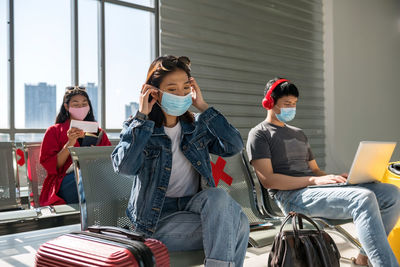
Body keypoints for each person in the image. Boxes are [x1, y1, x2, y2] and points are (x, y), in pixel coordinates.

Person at [111, 55, 249, 266]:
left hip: (194, 208)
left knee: (219, 197)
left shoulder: (196, 126)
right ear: (153, 92)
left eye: (186, 88)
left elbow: (235, 146)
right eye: (173, 89)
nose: (181, 94)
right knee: (237, 222)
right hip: (155, 222)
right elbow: (125, 167)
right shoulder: (139, 127)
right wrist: (142, 117)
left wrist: (204, 107)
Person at [247, 77, 400, 267]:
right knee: (363, 198)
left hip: (314, 190)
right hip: (292, 197)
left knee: (391, 194)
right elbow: (269, 180)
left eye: (294, 104)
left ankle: (363, 257)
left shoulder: (299, 133)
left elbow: (316, 171)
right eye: (287, 103)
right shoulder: (259, 134)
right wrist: (312, 180)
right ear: (269, 103)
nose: (291, 108)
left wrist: (336, 178)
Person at [39, 86, 111, 206]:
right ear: (67, 106)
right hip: (64, 182)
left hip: (95, 179)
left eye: (84, 104)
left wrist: (96, 156)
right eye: (76, 104)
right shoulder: (54, 131)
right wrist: (70, 144)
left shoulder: (98, 132)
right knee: (86, 177)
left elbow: (108, 160)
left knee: (104, 177)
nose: (81, 108)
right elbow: (53, 166)